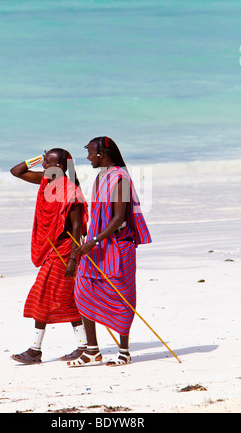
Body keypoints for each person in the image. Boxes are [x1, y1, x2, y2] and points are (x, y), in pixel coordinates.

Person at [67, 137, 151, 367]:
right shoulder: (100, 177)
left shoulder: (120, 179)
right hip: (97, 246)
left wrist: (93, 241)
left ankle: (124, 351)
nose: (87, 157)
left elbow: (118, 218)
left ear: (101, 155)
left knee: (121, 297)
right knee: (83, 290)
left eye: (90, 153)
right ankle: (92, 350)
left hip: (118, 246)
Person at [10, 148, 89, 364]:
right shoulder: (47, 181)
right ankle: (83, 346)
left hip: (64, 252)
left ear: (61, 167)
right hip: (51, 250)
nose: (43, 166)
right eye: (44, 162)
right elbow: (16, 171)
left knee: (43, 296)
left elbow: (76, 228)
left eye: (48, 163)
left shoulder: (70, 191)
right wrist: (37, 158)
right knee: (66, 300)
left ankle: (35, 350)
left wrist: (74, 258)